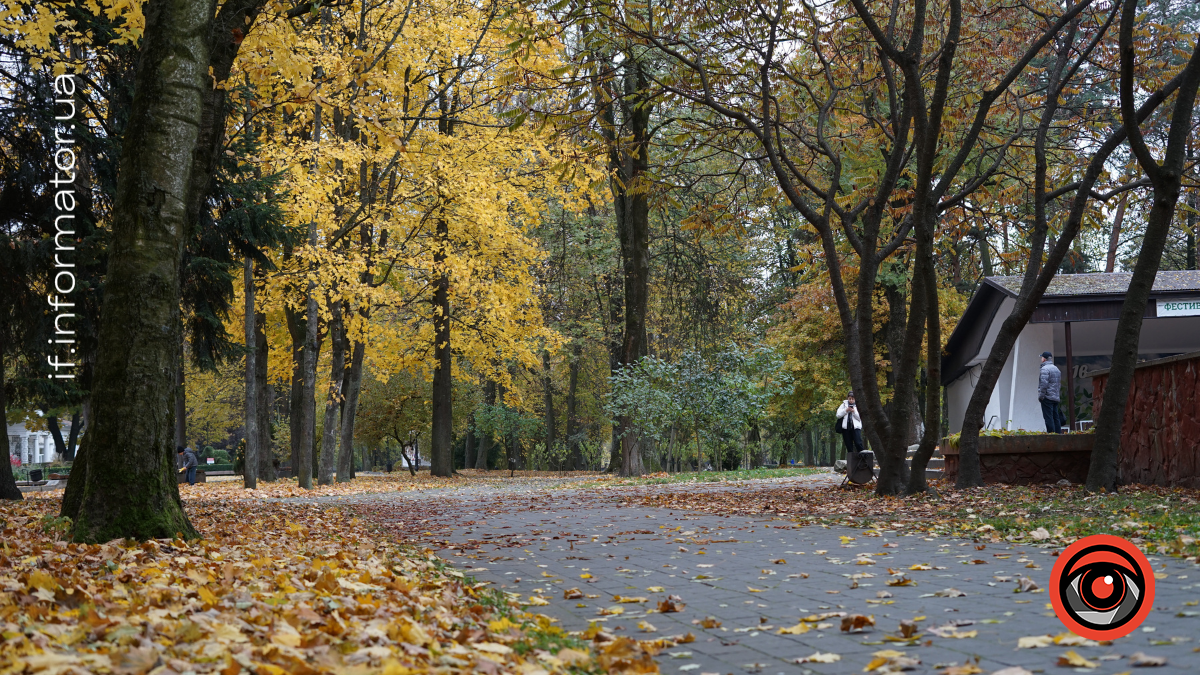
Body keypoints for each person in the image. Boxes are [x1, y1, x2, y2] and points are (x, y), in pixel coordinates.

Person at [1038, 351, 1065, 434]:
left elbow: (1043, 385)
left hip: (1047, 397)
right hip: (1055, 397)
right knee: (1055, 417)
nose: (1041, 358)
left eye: (1042, 357)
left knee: (1048, 417)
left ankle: (1051, 435)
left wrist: (1041, 396)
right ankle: (1058, 434)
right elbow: (1058, 384)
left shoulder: (1044, 369)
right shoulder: (1056, 369)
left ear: (1044, 359)